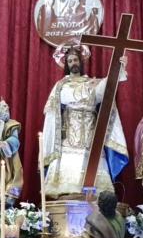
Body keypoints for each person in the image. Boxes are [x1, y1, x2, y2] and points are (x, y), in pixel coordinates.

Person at [42, 46, 129, 198]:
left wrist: (118, 69)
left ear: (81, 62)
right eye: (69, 61)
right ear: (66, 64)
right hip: (70, 137)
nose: (73, 63)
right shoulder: (62, 85)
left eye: (75, 59)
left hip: (90, 136)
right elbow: (68, 97)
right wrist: (88, 90)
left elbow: (105, 89)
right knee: (67, 178)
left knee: (96, 181)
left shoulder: (92, 82)